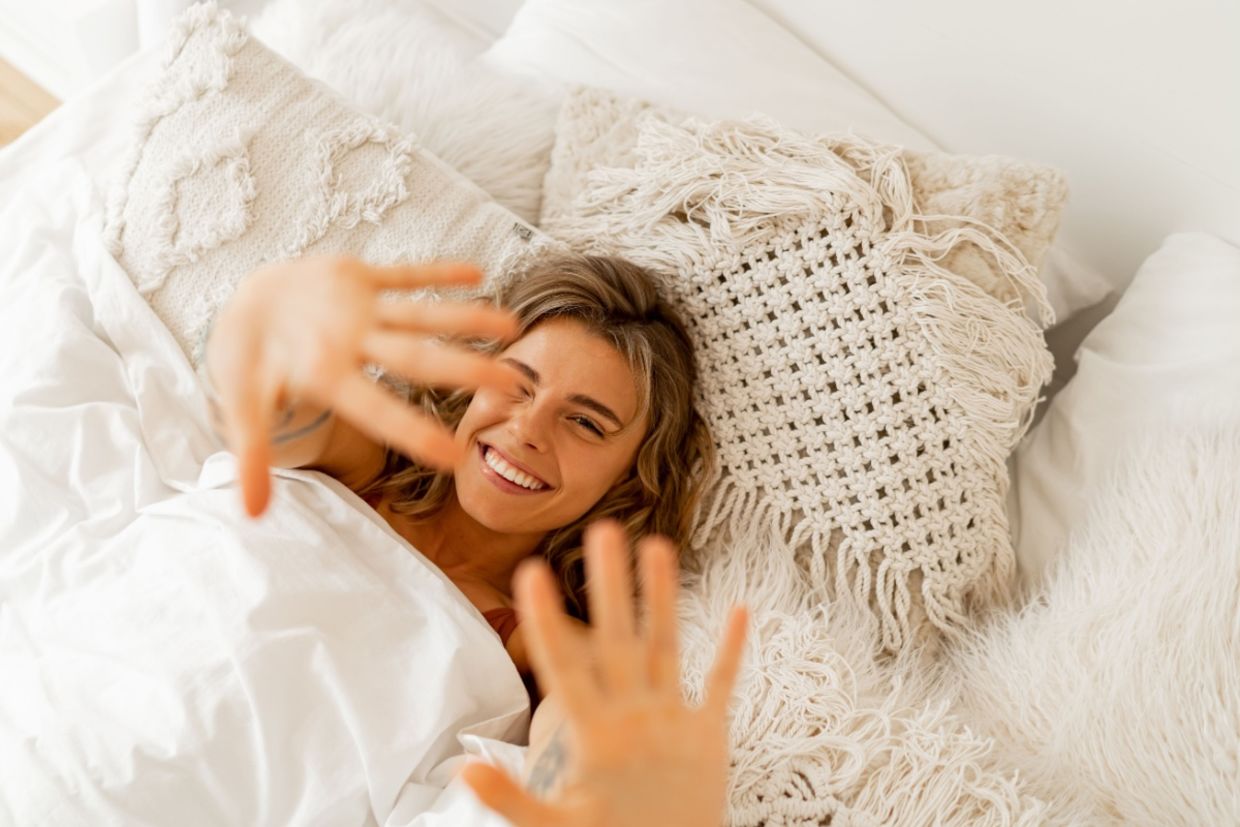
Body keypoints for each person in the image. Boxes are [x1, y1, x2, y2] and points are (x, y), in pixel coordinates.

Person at [203, 252, 748, 826]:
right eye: (517, 385)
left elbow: (590, 732)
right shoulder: (362, 461)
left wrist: (594, 791)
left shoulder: (545, 638)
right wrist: (263, 340)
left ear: (631, 479)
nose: (526, 431)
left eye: (585, 423)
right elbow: (268, 412)